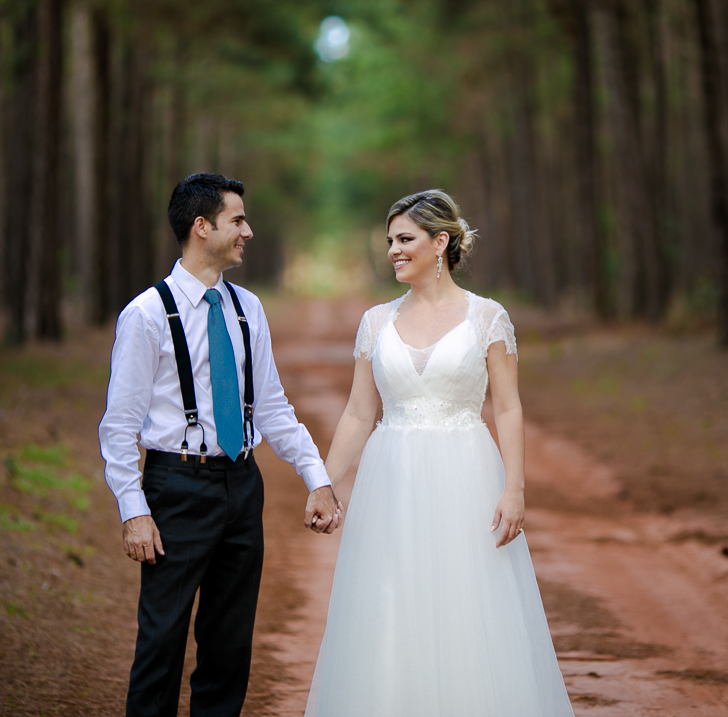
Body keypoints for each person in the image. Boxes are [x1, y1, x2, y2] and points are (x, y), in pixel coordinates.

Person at [304, 190, 575, 717]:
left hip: (466, 476)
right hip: (391, 480)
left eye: (405, 239)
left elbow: (508, 407)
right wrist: (324, 482)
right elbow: (359, 413)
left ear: (440, 242)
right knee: (390, 603)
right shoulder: (375, 322)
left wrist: (514, 488)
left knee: (468, 602)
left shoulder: (487, 317)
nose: (393, 251)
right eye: (390, 241)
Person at [99, 173, 342, 717]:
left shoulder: (247, 308)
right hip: (175, 487)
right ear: (201, 227)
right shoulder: (146, 314)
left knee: (229, 646)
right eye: (237, 221)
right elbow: (118, 426)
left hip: (242, 484)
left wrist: (316, 477)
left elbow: (272, 407)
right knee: (161, 642)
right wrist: (134, 511)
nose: (248, 232)